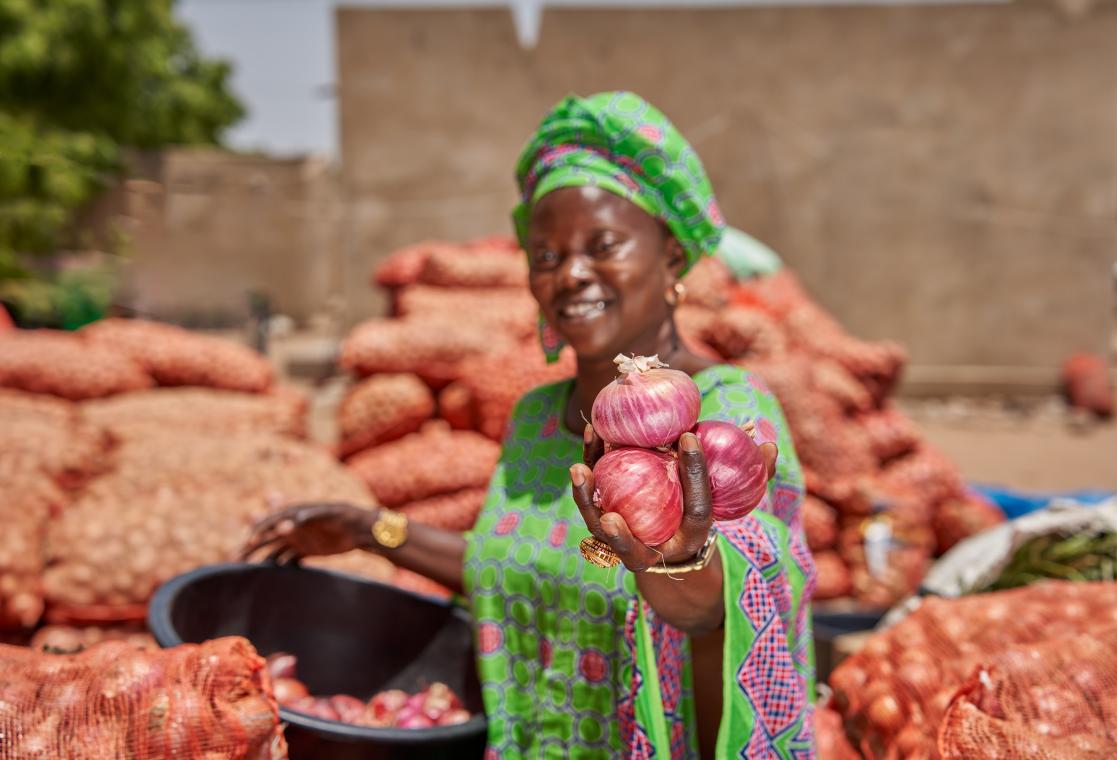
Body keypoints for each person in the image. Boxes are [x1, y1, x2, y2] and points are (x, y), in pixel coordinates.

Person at [244, 91, 816, 759]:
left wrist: (681, 568)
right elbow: (517, 567)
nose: (570, 273)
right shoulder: (537, 420)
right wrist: (369, 530)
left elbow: (725, 605)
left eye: (602, 245)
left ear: (670, 257)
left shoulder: (723, 411)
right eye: (544, 256)